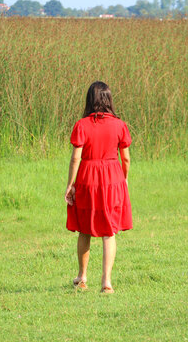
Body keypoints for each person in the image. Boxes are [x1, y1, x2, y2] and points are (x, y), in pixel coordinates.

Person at [64, 81, 132, 294]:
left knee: (85, 229)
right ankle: (106, 282)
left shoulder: (81, 125)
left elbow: (76, 158)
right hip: (113, 177)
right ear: (109, 100)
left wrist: (70, 185)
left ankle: (82, 278)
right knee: (109, 230)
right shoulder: (120, 125)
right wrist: (124, 178)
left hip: (87, 178)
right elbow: (126, 159)